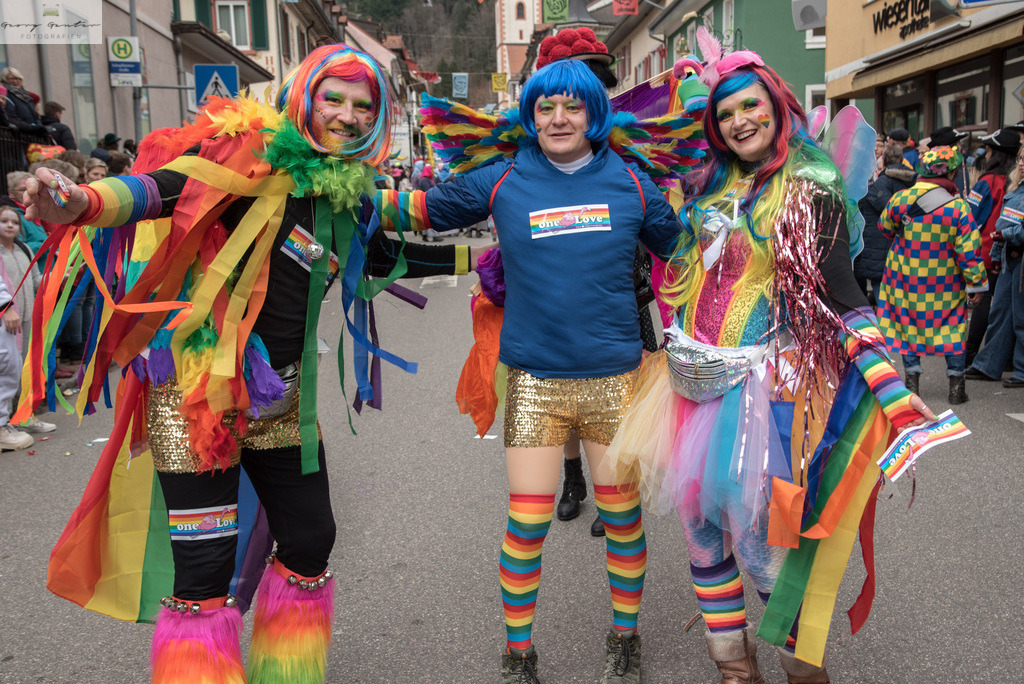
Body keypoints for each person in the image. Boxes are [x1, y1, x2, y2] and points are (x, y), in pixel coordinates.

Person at [18, 43, 490, 684]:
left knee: (309, 543)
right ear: (307, 96)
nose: (347, 117)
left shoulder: (346, 192)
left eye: (362, 107)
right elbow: (160, 190)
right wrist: (83, 204)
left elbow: (382, 261)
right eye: (335, 99)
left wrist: (489, 263)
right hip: (196, 399)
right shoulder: (248, 153)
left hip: (283, 402)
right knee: (205, 569)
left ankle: (285, 672)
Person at [607, 32, 934, 684]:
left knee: (760, 550)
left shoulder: (810, 190)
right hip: (687, 387)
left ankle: (802, 667)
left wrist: (888, 384)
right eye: (725, 114)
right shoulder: (707, 185)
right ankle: (734, 668)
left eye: (749, 106)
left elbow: (845, 297)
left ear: (777, 105)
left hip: (766, 393)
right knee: (701, 541)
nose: (739, 121)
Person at [375, 57, 693, 684]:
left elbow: (681, 249)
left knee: (622, 515)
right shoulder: (502, 180)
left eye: (573, 106)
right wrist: (325, 188)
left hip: (615, 380)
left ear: (595, 115)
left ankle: (624, 638)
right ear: (530, 116)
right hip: (535, 384)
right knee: (526, 521)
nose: (558, 118)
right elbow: (413, 209)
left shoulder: (631, 184)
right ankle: (518, 653)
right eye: (545, 107)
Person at [877, 144, 987, 403]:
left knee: (908, 326)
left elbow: (883, 227)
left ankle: (912, 384)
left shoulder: (902, 199)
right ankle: (956, 387)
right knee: (953, 326)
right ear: (950, 174)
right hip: (945, 281)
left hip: (904, 279)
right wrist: (976, 286)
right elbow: (969, 252)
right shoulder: (959, 208)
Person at [965, 146, 1024, 387]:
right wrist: (997, 255)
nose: (1021, 163)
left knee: (1020, 318)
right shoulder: (1015, 187)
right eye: (1021, 158)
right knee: (999, 312)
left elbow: (1011, 229)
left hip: (1021, 258)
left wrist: (1005, 235)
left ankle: (1021, 370)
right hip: (1009, 258)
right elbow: (1002, 221)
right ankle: (988, 365)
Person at [0, 201, 54, 437]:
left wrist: (58, 276)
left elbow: (35, 280)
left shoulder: (24, 249)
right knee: (7, 370)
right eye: (4, 221)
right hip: (6, 321)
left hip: (26, 319)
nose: (10, 225)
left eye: (15, 222)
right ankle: (6, 422)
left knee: (26, 368)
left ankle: (25, 416)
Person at [854, 143, 915, 303]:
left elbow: (887, 211)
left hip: (880, 253)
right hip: (907, 250)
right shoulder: (914, 183)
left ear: (884, 160)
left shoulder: (881, 184)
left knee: (884, 303)